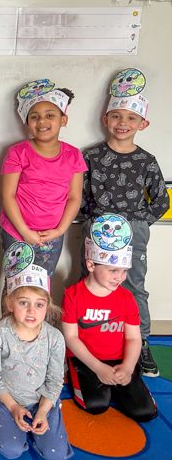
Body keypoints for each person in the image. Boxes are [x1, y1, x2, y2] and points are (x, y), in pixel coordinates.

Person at [79, 68, 169, 377]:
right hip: (96, 231)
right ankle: (88, 341)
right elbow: (77, 196)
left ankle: (140, 343)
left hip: (134, 234)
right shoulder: (90, 157)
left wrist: (137, 224)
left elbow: (161, 201)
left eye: (131, 118)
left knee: (133, 287)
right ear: (106, 120)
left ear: (143, 124)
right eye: (116, 116)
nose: (123, 123)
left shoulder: (147, 160)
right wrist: (89, 221)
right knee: (91, 284)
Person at [62, 214, 157, 421]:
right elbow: (71, 337)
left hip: (120, 358)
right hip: (86, 359)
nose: (120, 277)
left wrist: (129, 367)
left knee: (145, 412)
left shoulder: (127, 297)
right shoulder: (72, 295)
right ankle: (75, 372)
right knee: (96, 406)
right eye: (113, 270)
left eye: (124, 271)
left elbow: (133, 337)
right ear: (91, 265)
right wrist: (98, 367)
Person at [0, 254, 72, 460]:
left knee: (56, 455)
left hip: (42, 400)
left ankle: (48, 412)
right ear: (9, 303)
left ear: (47, 307)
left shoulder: (55, 337)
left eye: (39, 305)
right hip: (7, 398)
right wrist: (13, 407)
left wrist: (42, 411)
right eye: (24, 302)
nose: (32, 310)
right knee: (11, 450)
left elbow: (55, 379)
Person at [0, 79, 86, 283]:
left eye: (50, 115)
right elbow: (7, 195)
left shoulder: (74, 155)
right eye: (35, 116)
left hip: (53, 234)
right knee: (14, 285)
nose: (42, 121)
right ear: (27, 121)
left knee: (41, 284)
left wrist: (60, 230)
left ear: (63, 120)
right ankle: (10, 317)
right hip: (17, 232)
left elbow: (74, 197)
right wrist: (25, 232)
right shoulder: (17, 153)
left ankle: (38, 317)